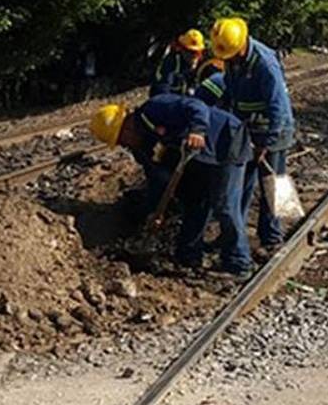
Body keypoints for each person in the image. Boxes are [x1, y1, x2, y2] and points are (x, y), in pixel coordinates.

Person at [89, 94, 252, 273]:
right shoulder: (141, 147)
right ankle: (189, 256)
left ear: (126, 128)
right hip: (199, 159)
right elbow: (156, 178)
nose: (123, 145)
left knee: (225, 205)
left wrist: (197, 130)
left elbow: (197, 105)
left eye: (121, 140)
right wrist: (155, 210)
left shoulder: (155, 108)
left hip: (226, 141)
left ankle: (238, 263)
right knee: (193, 202)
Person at [209, 18, 295, 255]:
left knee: (273, 182)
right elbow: (230, 89)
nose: (230, 59)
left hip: (274, 129)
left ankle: (273, 236)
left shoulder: (265, 63)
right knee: (241, 183)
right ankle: (235, 235)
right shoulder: (232, 58)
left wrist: (267, 143)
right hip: (247, 128)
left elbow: (278, 105)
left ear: (242, 44)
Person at [150, 29, 207, 97]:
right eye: (190, 51)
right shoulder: (172, 62)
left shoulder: (203, 65)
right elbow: (164, 89)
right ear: (182, 49)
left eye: (197, 52)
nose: (194, 56)